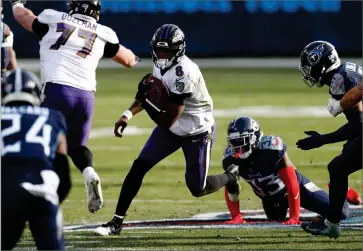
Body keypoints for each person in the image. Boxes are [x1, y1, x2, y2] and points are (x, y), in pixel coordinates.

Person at [95, 24, 240, 236]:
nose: (162, 56)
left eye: (167, 52)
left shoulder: (185, 74)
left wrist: (146, 99)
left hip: (196, 132)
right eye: (159, 51)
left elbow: (167, 120)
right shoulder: (160, 66)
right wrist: (128, 114)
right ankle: (116, 222)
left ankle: (231, 176)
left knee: (197, 188)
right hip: (173, 128)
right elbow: (150, 95)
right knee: (138, 167)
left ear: (179, 50)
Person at [11, 0, 140, 213]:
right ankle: (88, 171)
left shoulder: (53, 17)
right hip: (85, 97)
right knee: (77, 147)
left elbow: (23, 17)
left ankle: (37, 194)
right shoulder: (104, 32)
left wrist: (16, 4)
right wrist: (135, 58)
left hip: (56, 91)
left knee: (42, 145)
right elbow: (127, 60)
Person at [222, 116, 351, 225]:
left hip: (298, 189)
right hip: (271, 199)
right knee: (275, 219)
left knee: (340, 213)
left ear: (254, 138)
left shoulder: (271, 150)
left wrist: (294, 217)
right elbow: (231, 188)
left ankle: (340, 191)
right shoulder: (231, 159)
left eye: (241, 141)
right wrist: (236, 216)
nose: (237, 147)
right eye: (233, 142)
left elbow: (291, 183)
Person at [296, 40, 362, 238]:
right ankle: (332, 221)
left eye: (309, 66)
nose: (307, 72)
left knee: (338, 167)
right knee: (339, 165)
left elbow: (359, 124)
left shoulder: (339, 80)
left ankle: (332, 223)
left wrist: (321, 139)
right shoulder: (346, 70)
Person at [1, 69, 71, 250]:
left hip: (6, 191)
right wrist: (51, 201)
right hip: (43, 189)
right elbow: (63, 174)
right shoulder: (53, 117)